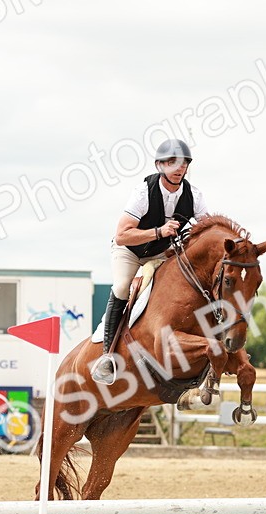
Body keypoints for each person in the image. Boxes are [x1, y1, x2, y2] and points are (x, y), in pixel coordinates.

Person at [91, 138, 210, 385]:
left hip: (159, 254)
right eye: (172, 162)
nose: (178, 168)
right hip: (130, 251)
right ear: (160, 165)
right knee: (123, 286)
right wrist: (158, 232)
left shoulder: (194, 196)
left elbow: (206, 229)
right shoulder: (143, 192)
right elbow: (122, 235)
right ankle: (107, 356)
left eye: (183, 163)